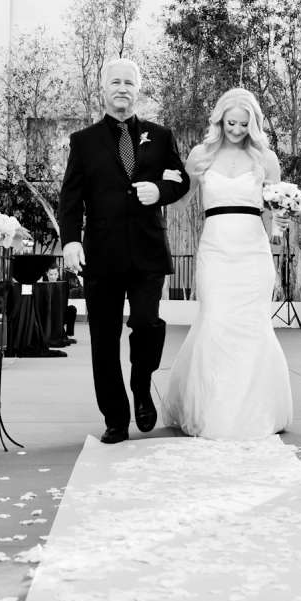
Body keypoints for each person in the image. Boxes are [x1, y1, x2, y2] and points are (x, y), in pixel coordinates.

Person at [58, 59, 190, 442]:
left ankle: (142, 382)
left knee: (147, 323)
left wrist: (161, 192)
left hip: (148, 249)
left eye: (129, 83)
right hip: (101, 254)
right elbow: (71, 198)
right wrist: (70, 241)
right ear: (104, 87)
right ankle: (115, 417)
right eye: (115, 82)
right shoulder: (83, 141)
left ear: (138, 89)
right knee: (103, 337)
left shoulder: (161, 135)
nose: (122, 88)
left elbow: (181, 179)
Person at [152, 88, 295, 439]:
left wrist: (282, 222)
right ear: (219, 120)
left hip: (253, 250)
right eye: (231, 122)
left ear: (254, 124)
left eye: (244, 124)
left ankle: (252, 410)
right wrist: (176, 179)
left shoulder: (267, 159)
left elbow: (273, 214)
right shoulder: (201, 154)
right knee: (215, 320)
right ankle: (213, 409)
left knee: (250, 324)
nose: (236, 129)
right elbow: (181, 205)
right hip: (215, 248)